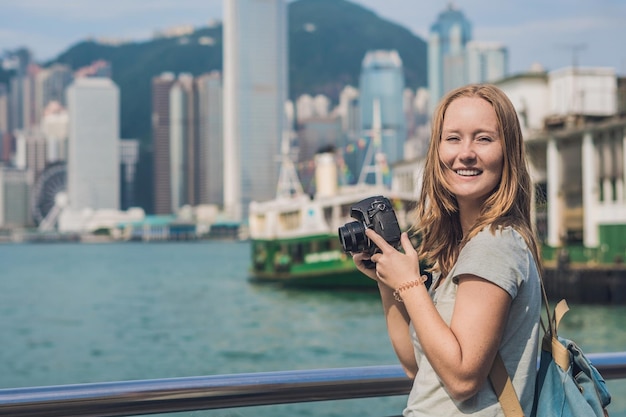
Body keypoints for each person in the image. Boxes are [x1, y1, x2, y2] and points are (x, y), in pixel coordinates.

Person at [352, 84, 542, 416]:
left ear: (508, 152)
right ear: (437, 150)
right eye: (453, 138)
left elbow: (463, 378)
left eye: (483, 139)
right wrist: (388, 280)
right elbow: (419, 367)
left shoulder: (493, 245)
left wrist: (410, 285)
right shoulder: (464, 248)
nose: (465, 153)